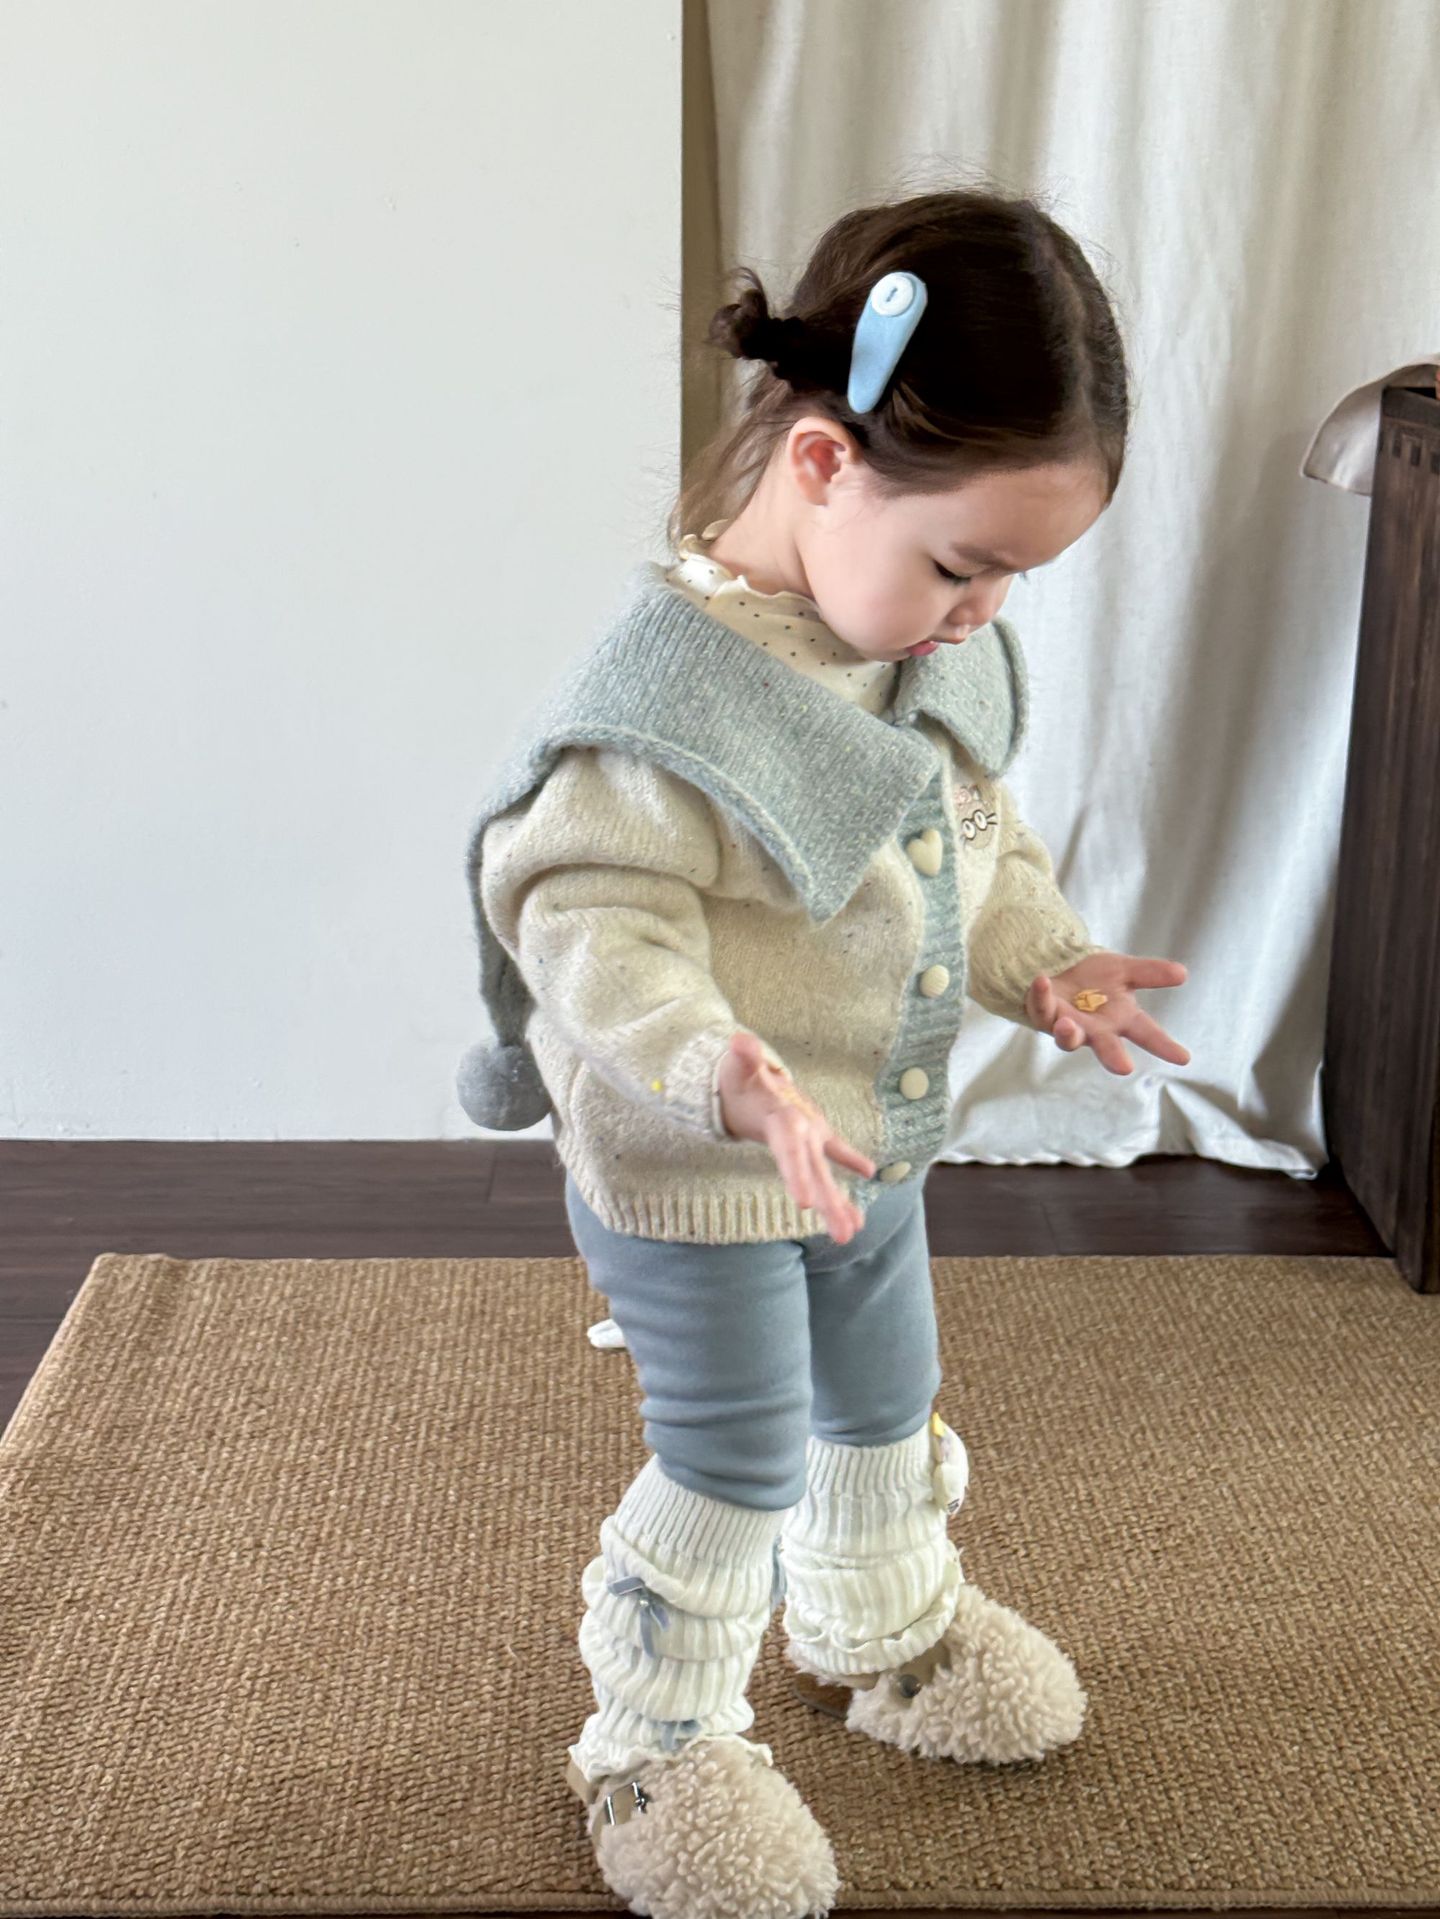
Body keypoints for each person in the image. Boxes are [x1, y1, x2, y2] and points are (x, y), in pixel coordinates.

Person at [460, 185, 1191, 1919]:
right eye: (963, 563)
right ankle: (656, 1741)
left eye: (1018, 575)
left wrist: (1050, 965)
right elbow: (584, 918)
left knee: (878, 1397)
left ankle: (884, 1629)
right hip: (698, 1158)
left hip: (865, 1137)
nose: (982, 610)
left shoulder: (906, 648)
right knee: (737, 1443)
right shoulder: (673, 708)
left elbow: (970, 844)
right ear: (818, 465)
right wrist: (714, 1062)